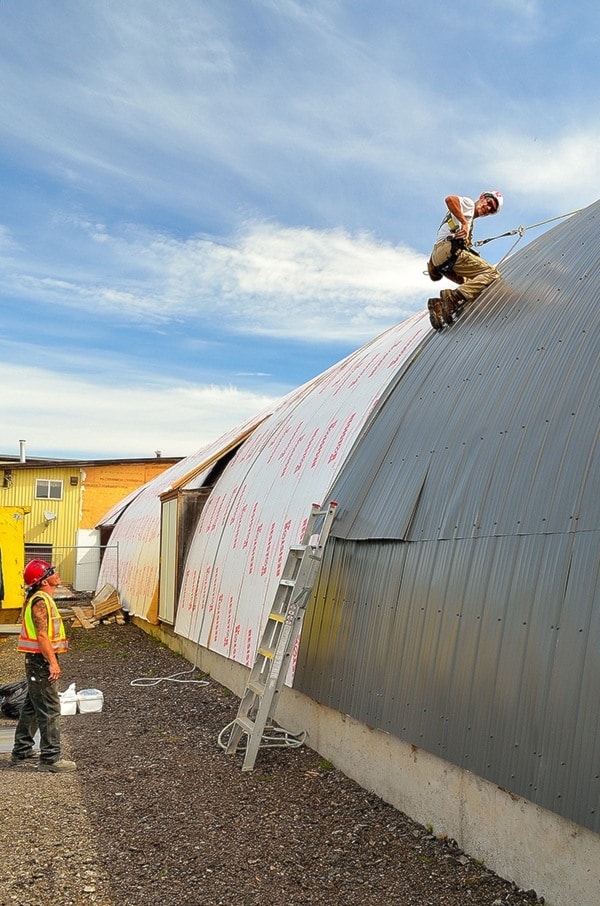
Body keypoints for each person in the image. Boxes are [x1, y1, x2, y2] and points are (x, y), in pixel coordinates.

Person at [10, 559, 77, 772]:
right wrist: (53, 662)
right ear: (44, 580)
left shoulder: (42, 598)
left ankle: (22, 750)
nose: (56, 573)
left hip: (36, 660)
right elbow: (41, 635)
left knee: (32, 705)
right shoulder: (40, 601)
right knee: (49, 708)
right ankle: (51, 758)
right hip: (40, 661)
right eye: (51, 571)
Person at [427, 191, 503, 330]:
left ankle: (438, 305)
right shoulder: (468, 206)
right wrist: (464, 223)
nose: (488, 209)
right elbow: (450, 199)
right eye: (489, 203)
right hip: (448, 251)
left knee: (471, 285)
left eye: (491, 210)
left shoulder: (469, 222)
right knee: (492, 273)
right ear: (482, 197)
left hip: (440, 257)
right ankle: (452, 298)